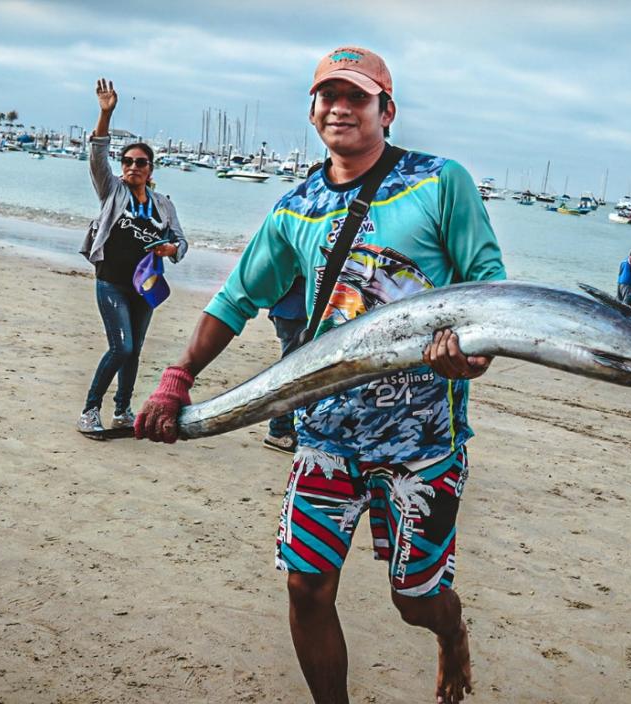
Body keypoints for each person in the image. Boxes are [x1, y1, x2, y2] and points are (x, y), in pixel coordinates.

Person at [135, 47, 504, 704]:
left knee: (414, 599)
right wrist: (177, 376)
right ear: (312, 110)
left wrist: (472, 353)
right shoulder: (295, 209)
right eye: (327, 95)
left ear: (386, 111)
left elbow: (487, 289)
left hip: (423, 442)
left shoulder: (442, 182)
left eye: (356, 96)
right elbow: (235, 300)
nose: (340, 107)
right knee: (306, 587)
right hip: (326, 433)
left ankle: (450, 635)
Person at [77, 78, 186, 435]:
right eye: (127, 161)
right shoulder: (112, 192)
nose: (132, 167)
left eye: (140, 162)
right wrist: (105, 113)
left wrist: (172, 249)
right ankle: (90, 411)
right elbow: (96, 154)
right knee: (120, 347)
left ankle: (122, 411)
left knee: (135, 350)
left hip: (145, 287)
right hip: (110, 282)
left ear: (150, 169)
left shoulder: (163, 204)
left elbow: (181, 242)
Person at [263, 277, 308, 453]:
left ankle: (283, 428)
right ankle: (278, 430)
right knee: (292, 374)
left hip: (287, 310)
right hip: (296, 312)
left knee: (292, 371)